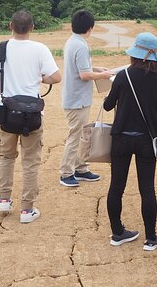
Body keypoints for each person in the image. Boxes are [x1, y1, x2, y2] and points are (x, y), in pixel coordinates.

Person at [0, 10, 61, 223]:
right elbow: (56, 77)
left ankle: (4, 200)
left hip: (6, 113)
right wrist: (38, 79)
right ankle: (27, 210)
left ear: (10, 25)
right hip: (32, 115)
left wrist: (5, 83)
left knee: (6, 157)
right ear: (32, 27)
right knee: (30, 161)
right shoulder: (40, 49)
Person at [103, 32, 157, 251]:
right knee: (147, 189)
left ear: (135, 54)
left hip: (121, 138)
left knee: (116, 187)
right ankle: (151, 237)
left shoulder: (124, 76)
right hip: (147, 140)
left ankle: (117, 233)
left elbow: (107, 106)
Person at [59, 10, 113, 187]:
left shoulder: (72, 41)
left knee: (80, 134)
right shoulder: (81, 46)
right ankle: (66, 173)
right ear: (90, 28)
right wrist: (103, 75)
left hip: (75, 97)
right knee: (75, 136)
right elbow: (83, 74)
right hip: (77, 99)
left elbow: (81, 68)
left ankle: (80, 168)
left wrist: (96, 68)